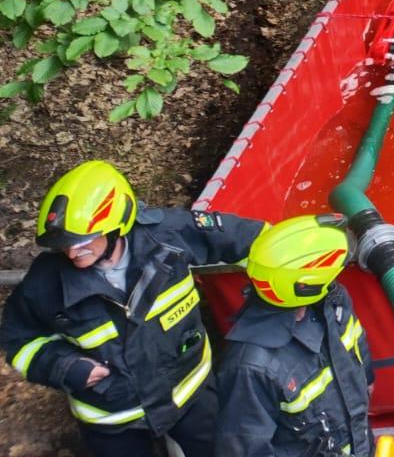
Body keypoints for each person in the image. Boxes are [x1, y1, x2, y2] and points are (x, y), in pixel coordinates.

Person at [0, 160, 263, 456]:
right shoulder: (43, 285)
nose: (72, 252)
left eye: (84, 241)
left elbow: (248, 237)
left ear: (116, 228)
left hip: (191, 396)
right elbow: (19, 341)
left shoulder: (168, 237)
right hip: (113, 420)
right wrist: (63, 366)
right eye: (64, 243)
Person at [214, 214, 375, 455]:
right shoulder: (251, 368)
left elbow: (357, 345)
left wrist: (367, 381)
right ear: (306, 286)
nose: (334, 280)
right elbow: (244, 448)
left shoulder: (333, 303)